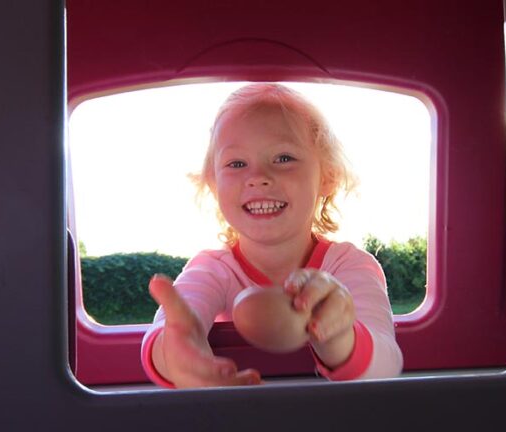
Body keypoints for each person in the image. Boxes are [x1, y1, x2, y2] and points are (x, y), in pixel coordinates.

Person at [141, 83, 403, 388]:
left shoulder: (349, 266)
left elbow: (386, 366)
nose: (258, 178)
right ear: (214, 185)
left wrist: (339, 333)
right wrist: (178, 353)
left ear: (327, 177)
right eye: (236, 163)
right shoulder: (212, 269)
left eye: (284, 158)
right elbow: (174, 326)